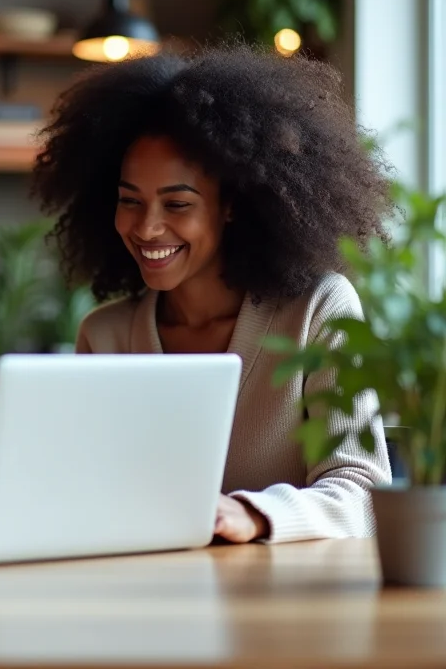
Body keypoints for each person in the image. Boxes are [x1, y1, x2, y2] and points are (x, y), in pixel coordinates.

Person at [32, 45, 393, 544]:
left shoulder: (318, 310)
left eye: (177, 203)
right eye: (129, 201)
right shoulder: (106, 334)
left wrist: (251, 515)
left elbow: (363, 491)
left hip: (286, 610)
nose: (147, 227)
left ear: (231, 205)